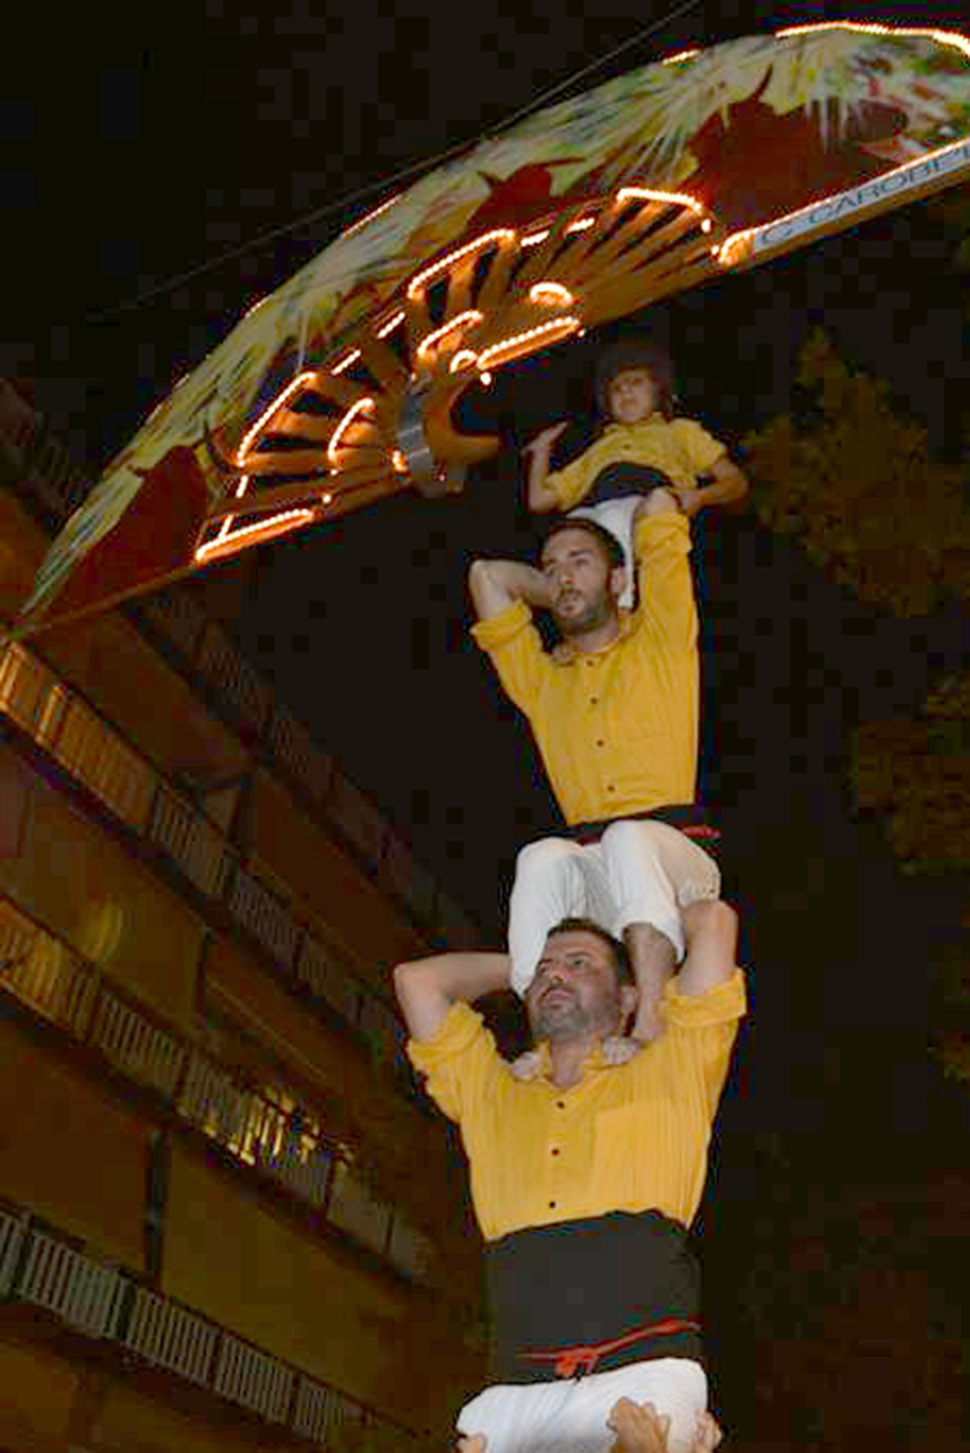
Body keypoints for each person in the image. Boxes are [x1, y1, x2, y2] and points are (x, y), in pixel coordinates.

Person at [394, 899, 744, 1453]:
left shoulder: (674, 1066)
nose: (554, 973)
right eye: (544, 970)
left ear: (626, 997)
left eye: (580, 963)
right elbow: (416, 981)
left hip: (642, 1367)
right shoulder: (492, 1091)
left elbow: (714, 923)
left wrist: (648, 964)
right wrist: (523, 965)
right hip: (518, 1380)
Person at [469, 486, 717, 1042]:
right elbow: (487, 576)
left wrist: (600, 579)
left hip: (680, 863)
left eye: (580, 562)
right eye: (551, 568)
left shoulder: (664, 641)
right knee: (540, 856)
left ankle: (649, 1018)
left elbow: (657, 505)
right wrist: (566, 588)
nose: (561, 575)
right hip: (598, 872)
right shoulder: (543, 682)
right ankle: (544, 1036)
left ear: (620, 579)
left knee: (630, 837)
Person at [523, 337, 747, 608]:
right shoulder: (600, 448)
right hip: (594, 513)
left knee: (615, 517)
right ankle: (575, 612)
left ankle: (622, 608)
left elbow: (735, 482)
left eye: (636, 383)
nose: (626, 392)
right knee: (568, 537)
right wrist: (542, 451)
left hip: (650, 507)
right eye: (617, 389)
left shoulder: (679, 431)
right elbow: (539, 500)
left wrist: (700, 497)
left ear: (657, 390)